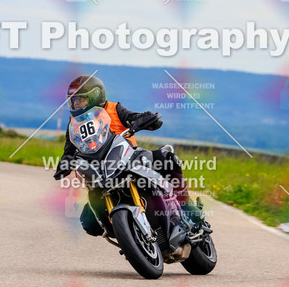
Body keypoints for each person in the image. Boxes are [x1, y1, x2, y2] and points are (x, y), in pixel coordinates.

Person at [54, 75, 204, 236]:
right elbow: (69, 151)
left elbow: (132, 117)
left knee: (166, 158)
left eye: (80, 99)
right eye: (73, 100)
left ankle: (187, 205)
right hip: (100, 171)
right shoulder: (74, 123)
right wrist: (65, 163)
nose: (76, 103)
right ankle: (129, 235)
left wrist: (145, 119)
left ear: (95, 96)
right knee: (89, 222)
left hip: (130, 159)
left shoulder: (114, 108)